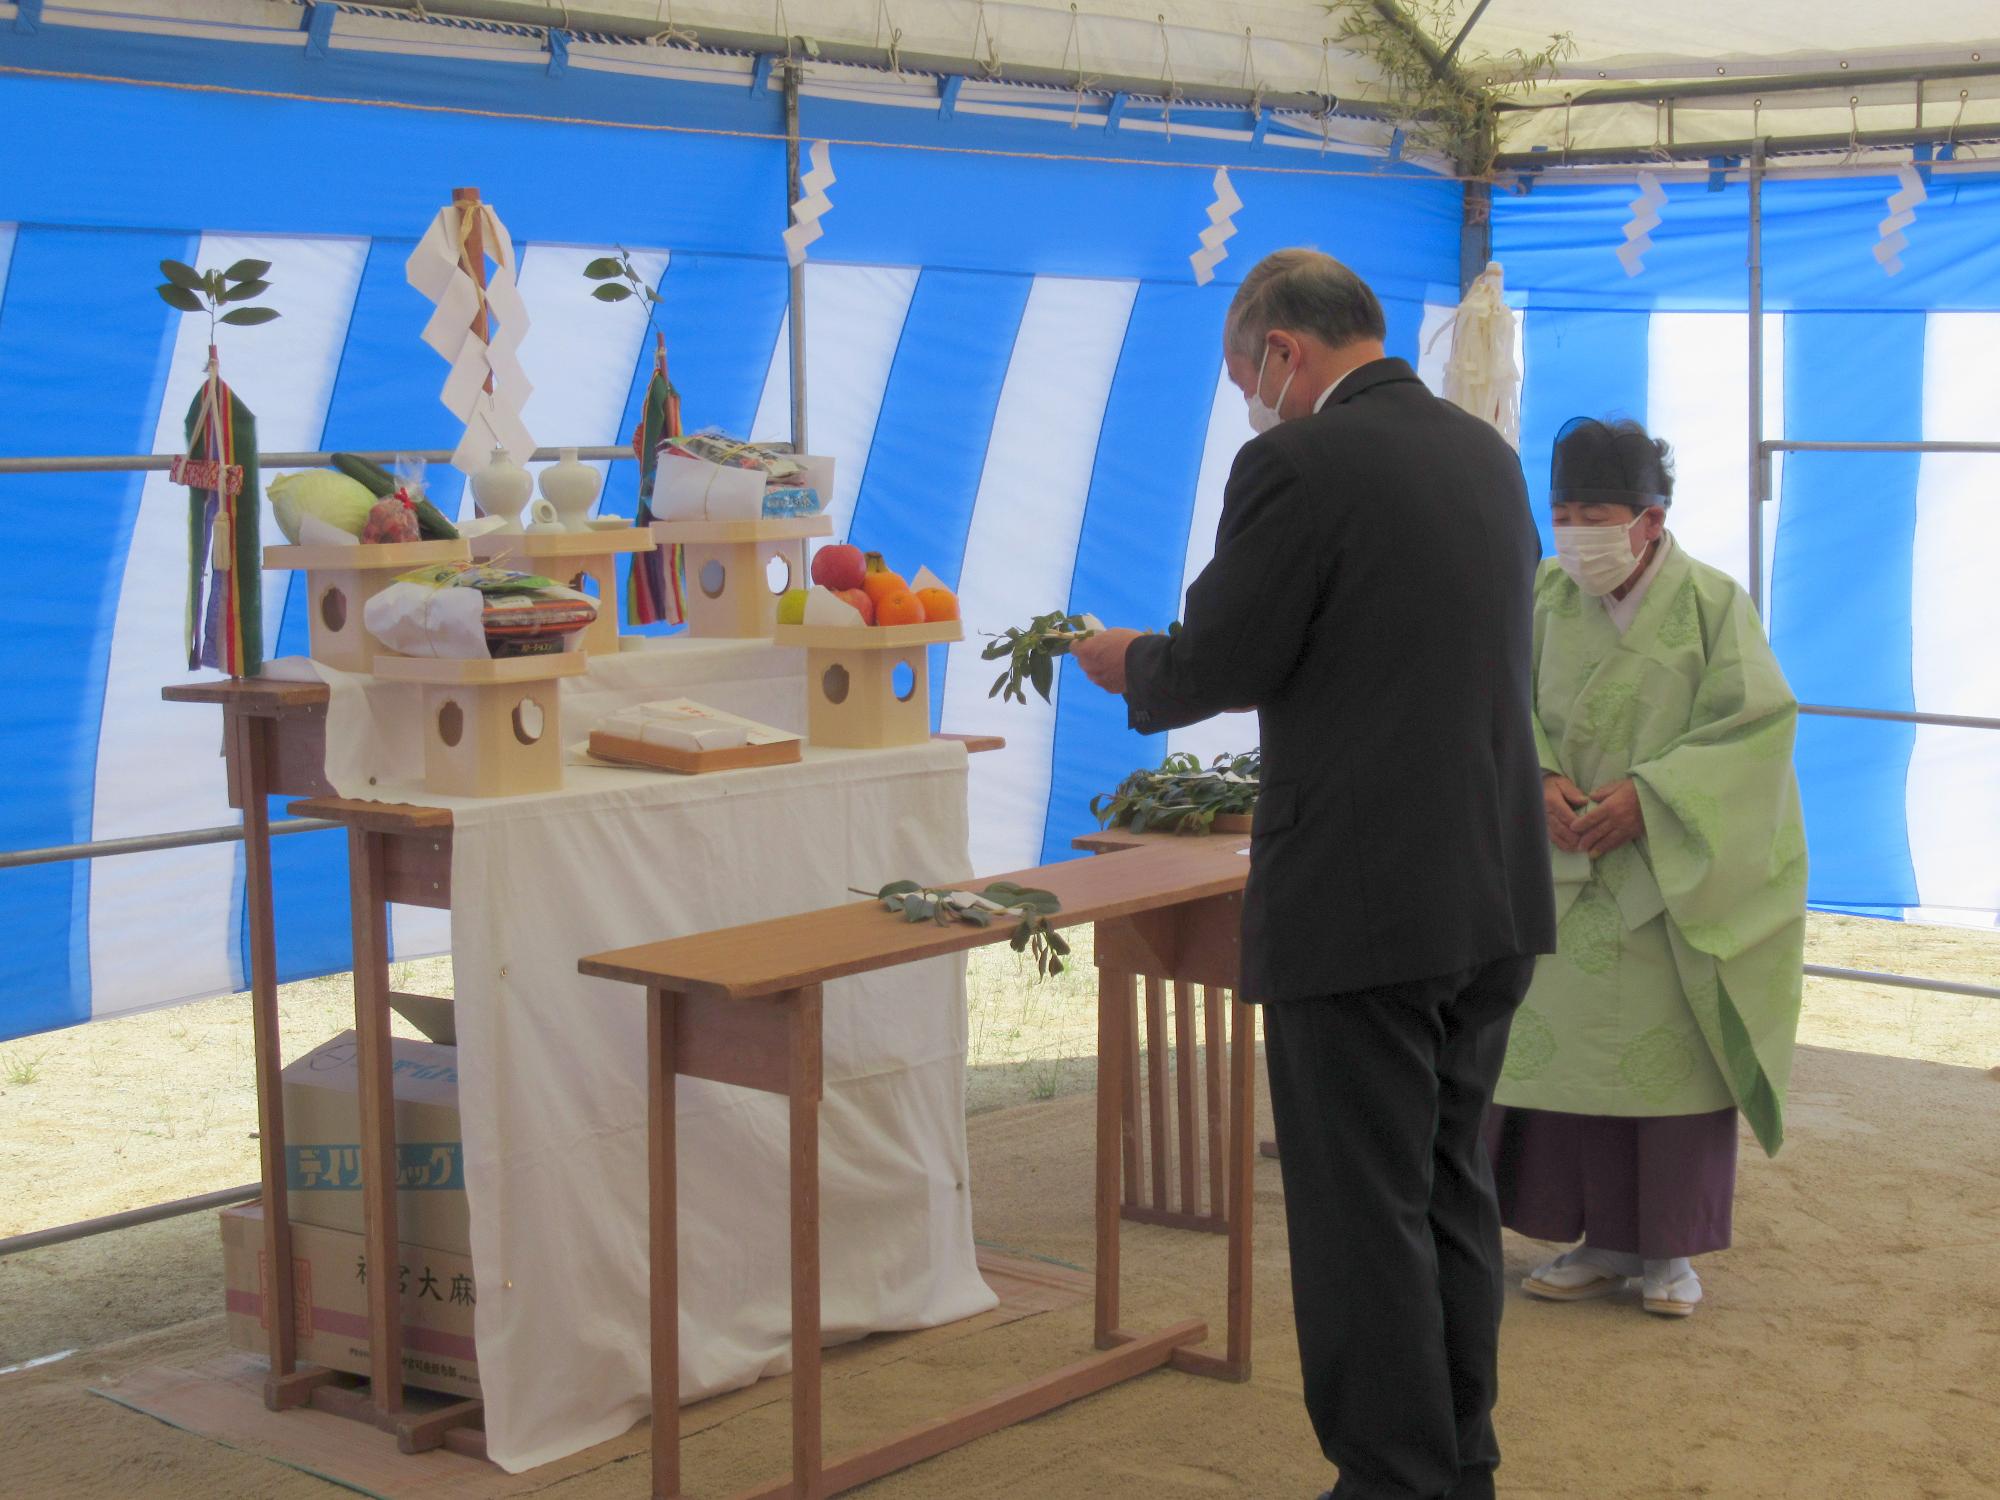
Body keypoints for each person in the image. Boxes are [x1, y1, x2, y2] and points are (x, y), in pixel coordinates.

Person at [1072, 248, 1556, 1500]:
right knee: (1446, 1187)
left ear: (1281, 354)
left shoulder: (1292, 460)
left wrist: (1130, 660)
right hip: (1487, 885)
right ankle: (1458, 1457)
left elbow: (1225, 654)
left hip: (1360, 898)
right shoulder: (1486, 457)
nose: (1246, 400)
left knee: (1358, 1213)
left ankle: (1391, 1475)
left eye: (1245, 376)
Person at [1485, 417, 1806, 1318]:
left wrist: (1652, 799)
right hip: (1561, 864)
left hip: (1662, 876)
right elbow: (1498, 696)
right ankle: (1604, 1238)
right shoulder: (1541, 595)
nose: (1576, 531)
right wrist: (1538, 777)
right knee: (1576, 1062)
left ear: (1650, 520)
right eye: (1563, 511)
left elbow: (1755, 730)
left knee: (1665, 1062)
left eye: (1596, 513)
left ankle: (1669, 1249)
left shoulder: (1711, 603)